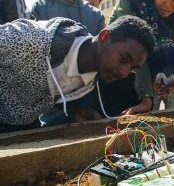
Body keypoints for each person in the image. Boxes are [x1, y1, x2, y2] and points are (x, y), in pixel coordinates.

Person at [0, 15, 154, 132]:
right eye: (124, 59)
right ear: (104, 37)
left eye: (133, 68)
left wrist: (75, 110)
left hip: (21, 128)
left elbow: (48, 86)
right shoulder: (32, 39)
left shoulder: (89, 82)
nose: (124, 73)